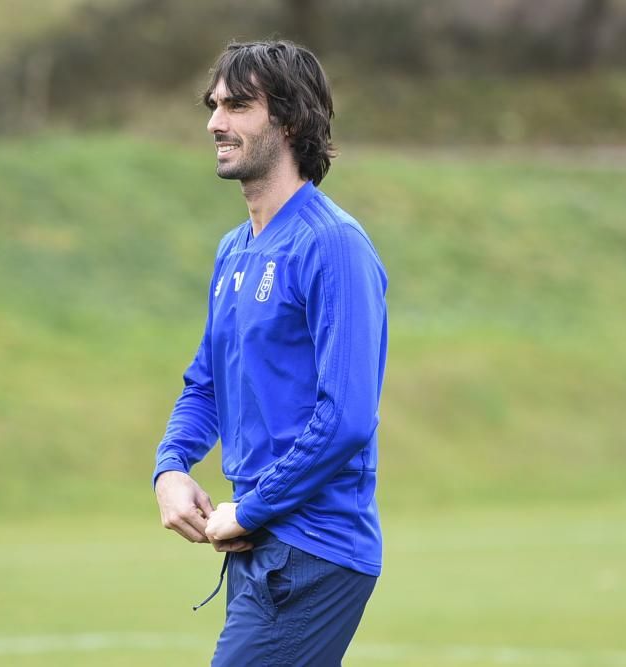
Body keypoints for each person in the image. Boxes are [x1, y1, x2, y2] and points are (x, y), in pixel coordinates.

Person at [152, 40, 388, 665]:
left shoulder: (333, 246)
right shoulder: (235, 249)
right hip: (261, 546)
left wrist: (252, 508)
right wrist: (171, 465)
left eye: (237, 106)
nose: (214, 122)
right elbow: (206, 385)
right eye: (213, 104)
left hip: (313, 550)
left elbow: (347, 417)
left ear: (289, 120)